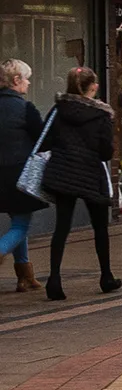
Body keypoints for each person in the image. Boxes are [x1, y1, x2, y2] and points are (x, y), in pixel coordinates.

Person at [40, 67, 119, 300]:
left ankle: (54, 280)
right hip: (89, 175)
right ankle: (106, 276)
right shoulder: (101, 115)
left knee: (61, 228)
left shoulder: (58, 109)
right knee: (100, 227)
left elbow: (46, 141)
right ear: (92, 87)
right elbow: (106, 152)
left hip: (63, 173)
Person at [0, 60, 45, 292]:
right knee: (20, 225)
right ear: (16, 81)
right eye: (26, 78)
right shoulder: (25, 109)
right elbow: (42, 137)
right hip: (19, 175)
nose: (28, 82)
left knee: (18, 220)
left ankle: (24, 275)